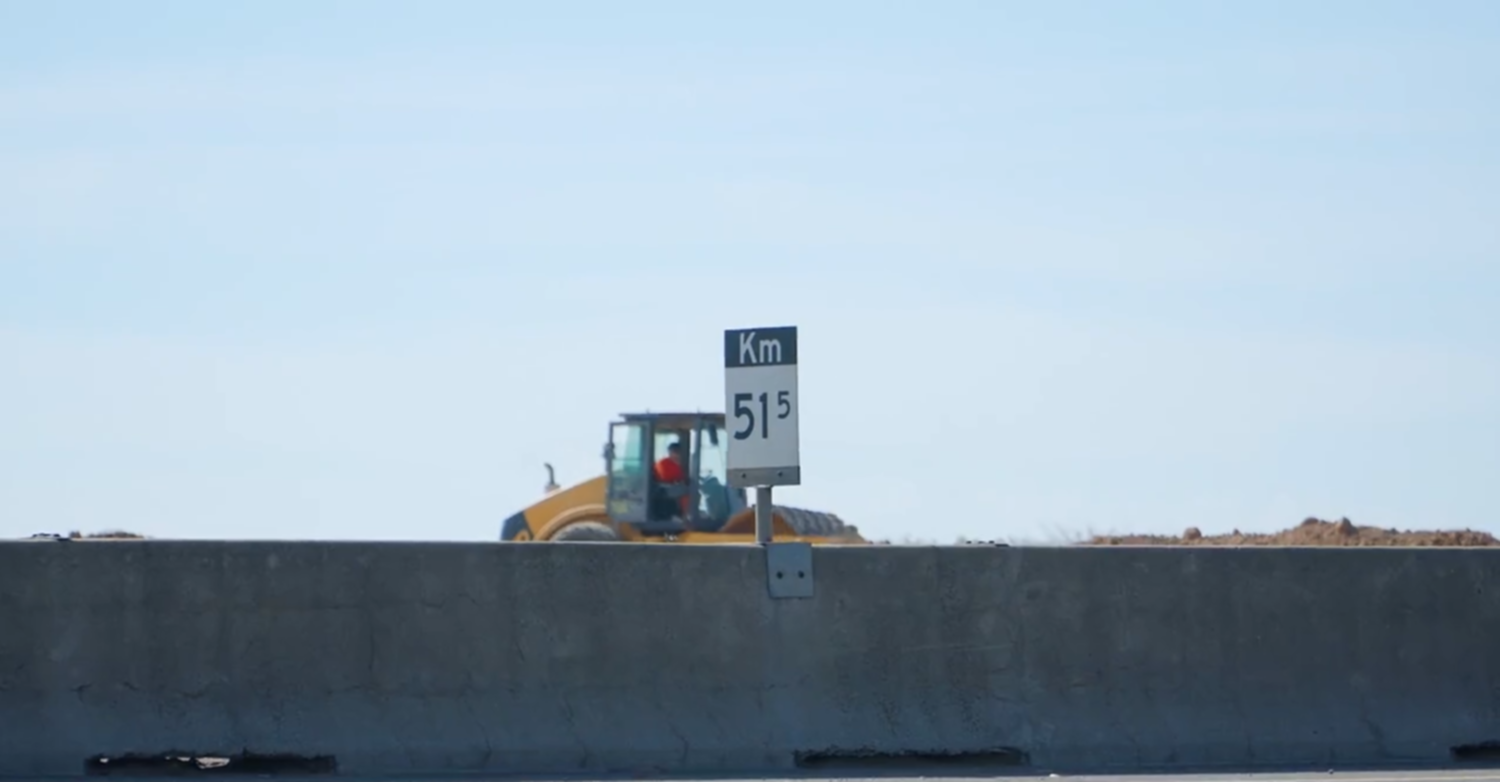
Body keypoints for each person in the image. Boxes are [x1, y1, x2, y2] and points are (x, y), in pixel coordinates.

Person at [652, 441, 690, 518]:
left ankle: (685, 514)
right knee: (687, 493)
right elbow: (665, 478)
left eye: (679, 453)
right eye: (675, 452)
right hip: (662, 489)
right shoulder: (663, 463)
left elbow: (682, 478)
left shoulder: (678, 464)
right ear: (670, 452)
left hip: (671, 488)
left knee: (692, 491)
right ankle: (686, 516)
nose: (677, 455)